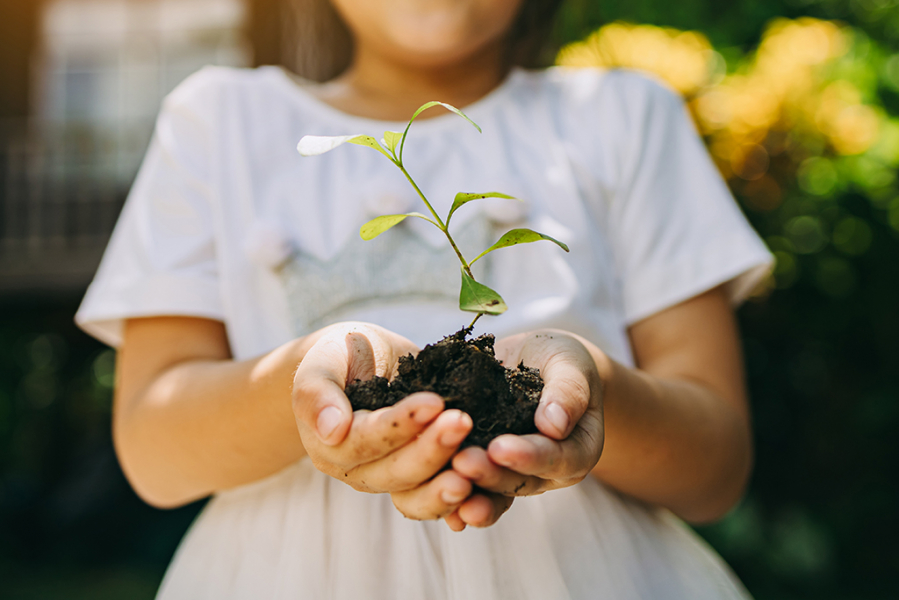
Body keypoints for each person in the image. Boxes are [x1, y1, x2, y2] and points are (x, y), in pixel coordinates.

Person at [76, 0, 773, 598]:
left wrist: (587, 387)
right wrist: (307, 383)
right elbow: (153, 448)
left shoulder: (621, 118)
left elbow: (715, 466)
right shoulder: (219, 123)